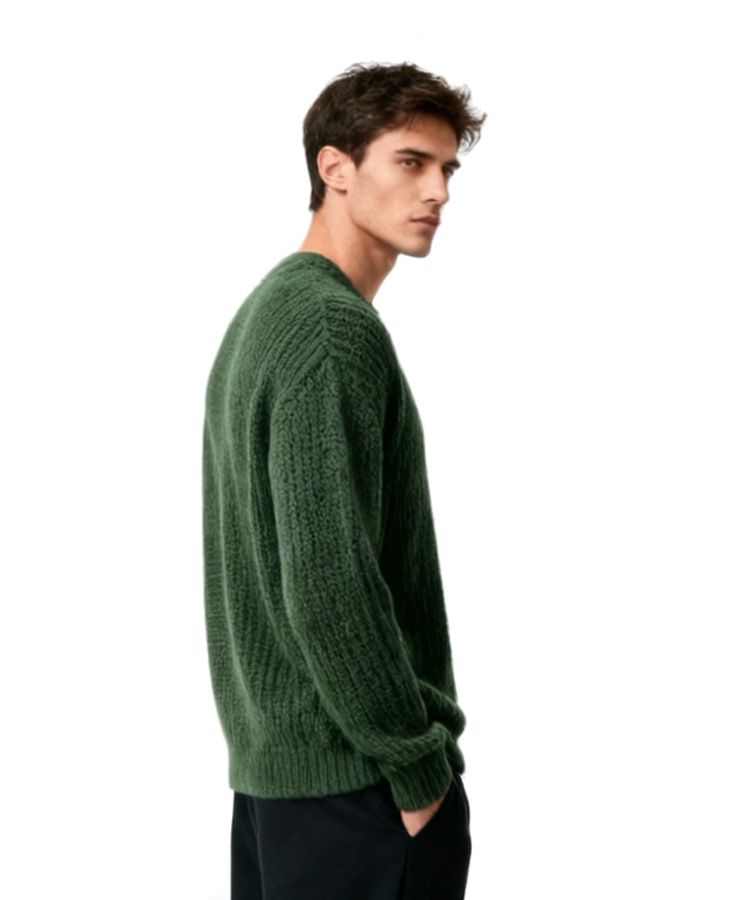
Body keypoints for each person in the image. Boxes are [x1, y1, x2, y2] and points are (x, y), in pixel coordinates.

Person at [202, 61, 486, 899]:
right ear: (335, 168)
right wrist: (416, 768)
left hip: (279, 787)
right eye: (411, 162)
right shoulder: (329, 328)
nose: (438, 191)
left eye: (447, 168)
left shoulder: (268, 311)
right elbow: (326, 582)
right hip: (357, 790)